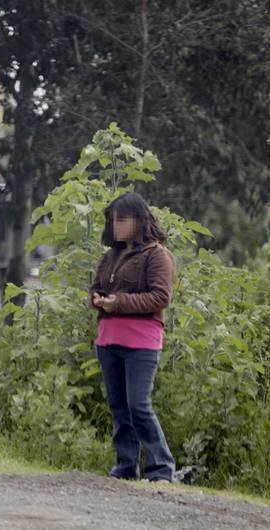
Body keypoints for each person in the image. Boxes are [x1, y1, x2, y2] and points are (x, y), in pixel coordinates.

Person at [88, 192, 176, 482]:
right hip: (109, 340)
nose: (116, 225)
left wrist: (120, 302)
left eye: (122, 219)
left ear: (139, 220)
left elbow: (160, 297)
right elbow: (97, 287)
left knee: (139, 405)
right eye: (113, 219)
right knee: (118, 408)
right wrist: (97, 299)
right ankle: (126, 465)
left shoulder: (157, 255)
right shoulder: (110, 255)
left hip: (142, 342)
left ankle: (161, 467)